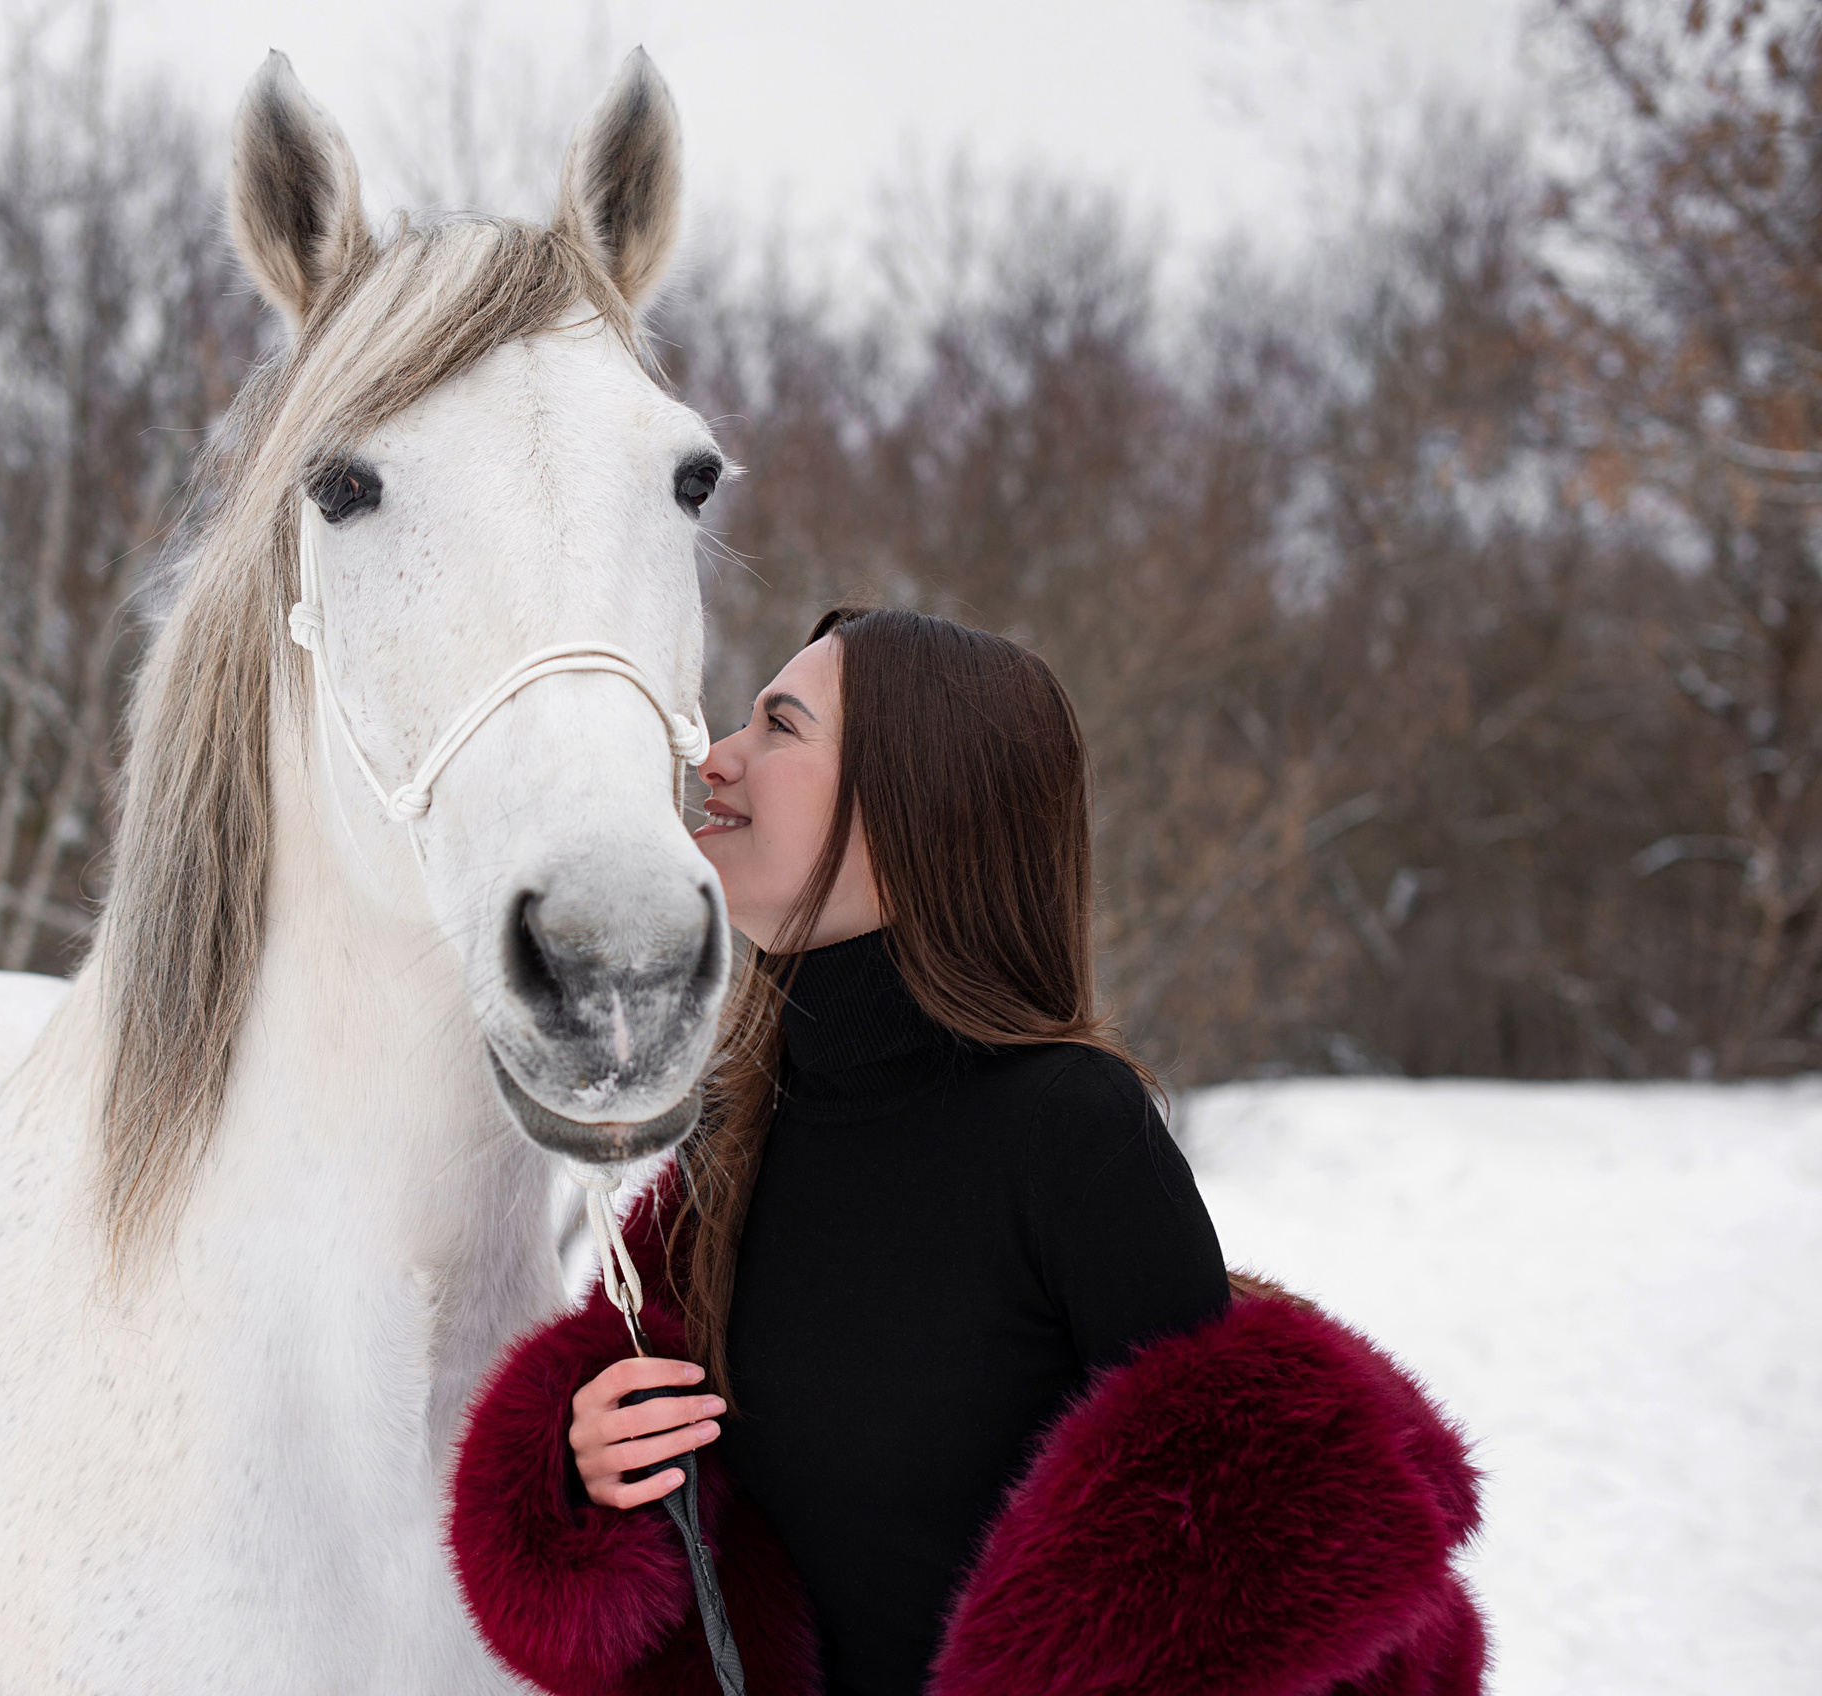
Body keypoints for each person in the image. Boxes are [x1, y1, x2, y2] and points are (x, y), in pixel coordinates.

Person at [446, 609, 1487, 1696]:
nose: (716, 758)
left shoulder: (1068, 1130)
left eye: (781, 725)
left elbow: (1230, 1566)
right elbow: (698, 1561)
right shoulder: (727, 1146)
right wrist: (592, 1467)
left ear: (915, 806)